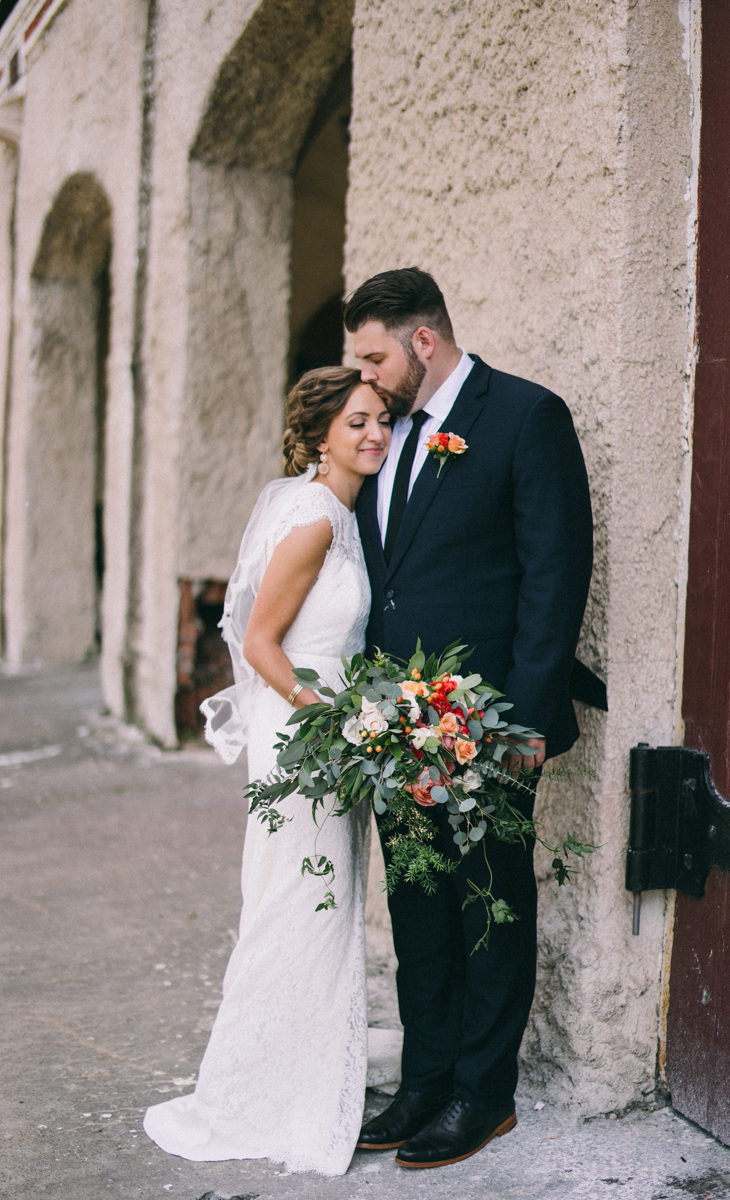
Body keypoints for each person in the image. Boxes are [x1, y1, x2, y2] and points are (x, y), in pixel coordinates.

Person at [345, 267, 594, 1169]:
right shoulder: (385, 433)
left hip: (486, 724)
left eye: (374, 357)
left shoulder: (526, 417)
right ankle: (424, 1079)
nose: (365, 379)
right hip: (396, 723)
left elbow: (553, 578)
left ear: (422, 341)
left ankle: (483, 1095)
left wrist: (524, 725)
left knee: (488, 904)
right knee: (415, 902)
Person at [143, 367, 393, 1176]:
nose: (374, 435)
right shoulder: (316, 518)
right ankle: (269, 1095)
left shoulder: (346, 516)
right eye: (357, 422)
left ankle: (306, 1078)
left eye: (382, 420)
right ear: (320, 435)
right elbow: (257, 643)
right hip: (308, 737)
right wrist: (340, 718)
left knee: (318, 903)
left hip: (329, 729)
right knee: (301, 904)